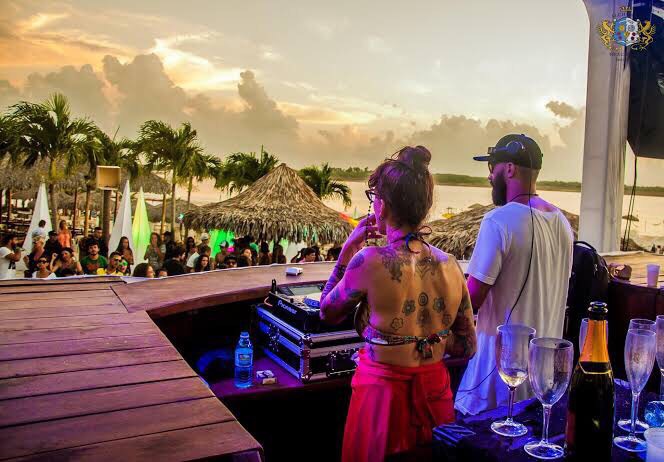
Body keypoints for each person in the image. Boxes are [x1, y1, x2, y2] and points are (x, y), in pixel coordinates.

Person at [319, 146, 476, 461]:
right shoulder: (450, 265)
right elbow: (467, 346)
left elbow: (327, 311)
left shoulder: (368, 260)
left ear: (383, 205)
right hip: (435, 398)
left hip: (382, 401)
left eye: (373, 197)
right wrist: (427, 341)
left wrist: (347, 249)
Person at [455, 134, 574, 416]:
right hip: (541, 387)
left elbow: (470, 300)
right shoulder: (563, 224)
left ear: (509, 169)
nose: (489, 176)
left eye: (492, 168)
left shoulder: (498, 221)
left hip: (494, 383)